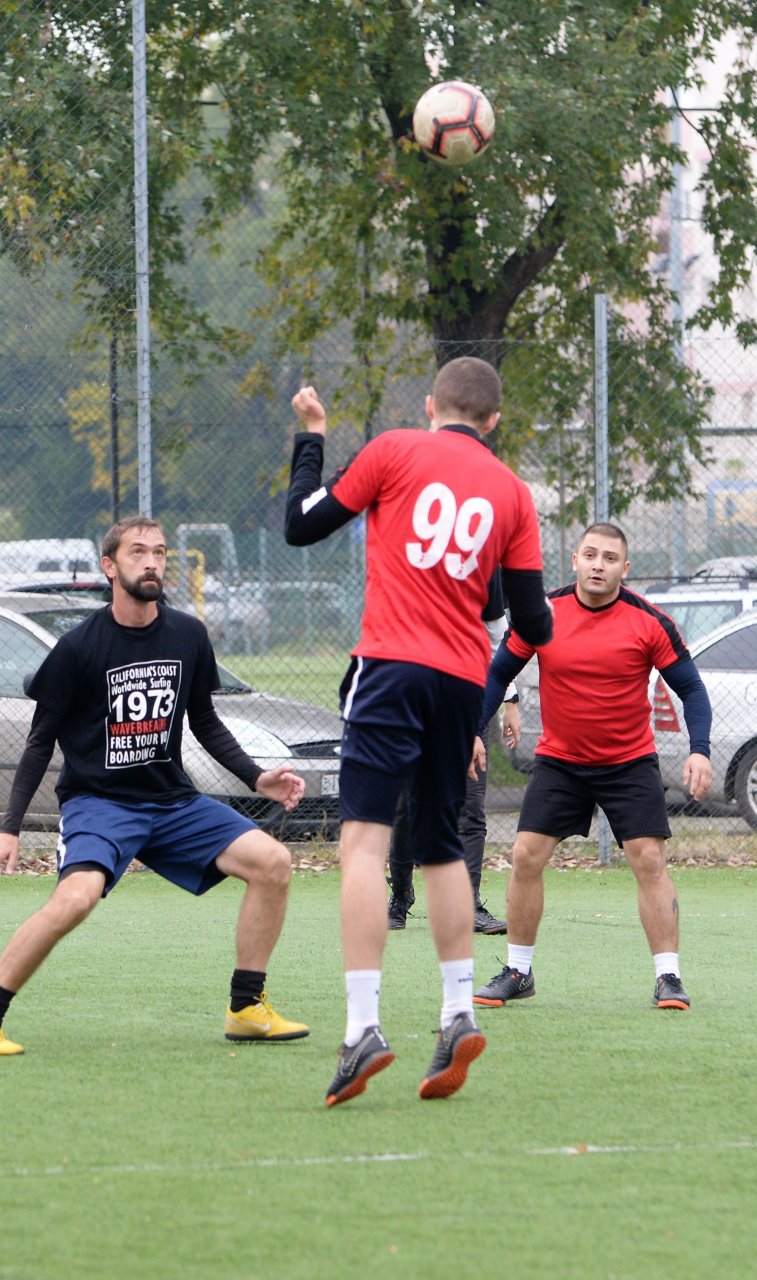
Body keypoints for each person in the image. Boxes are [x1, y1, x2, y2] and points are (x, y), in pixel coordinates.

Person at [283, 358, 552, 1108]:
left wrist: (313, 438)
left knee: (365, 843)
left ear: (431, 405)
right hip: (462, 681)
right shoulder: (511, 492)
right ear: (493, 421)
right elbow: (530, 621)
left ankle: (363, 1026)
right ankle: (456, 1010)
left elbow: (302, 525)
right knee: (441, 850)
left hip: (391, 667)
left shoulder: (395, 450)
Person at [0, 515, 310, 1056]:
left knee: (273, 863)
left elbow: (206, 722)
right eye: (138, 552)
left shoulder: (188, 635)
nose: (151, 563)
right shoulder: (77, 649)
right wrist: (8, 832)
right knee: (75, 900)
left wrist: (257, 777)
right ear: (110, 565)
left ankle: (246, 1008)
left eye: (160, 553)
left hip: (174, 802)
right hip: (99, 804)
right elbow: (38, 744)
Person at [472, 522, 714, 1012]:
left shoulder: (649, 622)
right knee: (525, 855)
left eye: (609, 558)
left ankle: (668, 978)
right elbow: (498, 673)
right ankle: (519, 970)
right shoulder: (543, 615)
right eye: (590, 555)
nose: (598, 565)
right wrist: (473, 732)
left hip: (629, 762)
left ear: (625, 569)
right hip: (561, 762)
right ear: (576, 561)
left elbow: (691, 688)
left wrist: (700, 749)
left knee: (648, 859)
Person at [388, 573, 518, 935]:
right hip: (412, 700)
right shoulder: (410, 554)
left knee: (470, 806)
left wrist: (511, 700)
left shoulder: (486, 561)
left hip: (468, 701)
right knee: (406, 807)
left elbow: (499, 638)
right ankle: (400, 897)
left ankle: (468, 903)